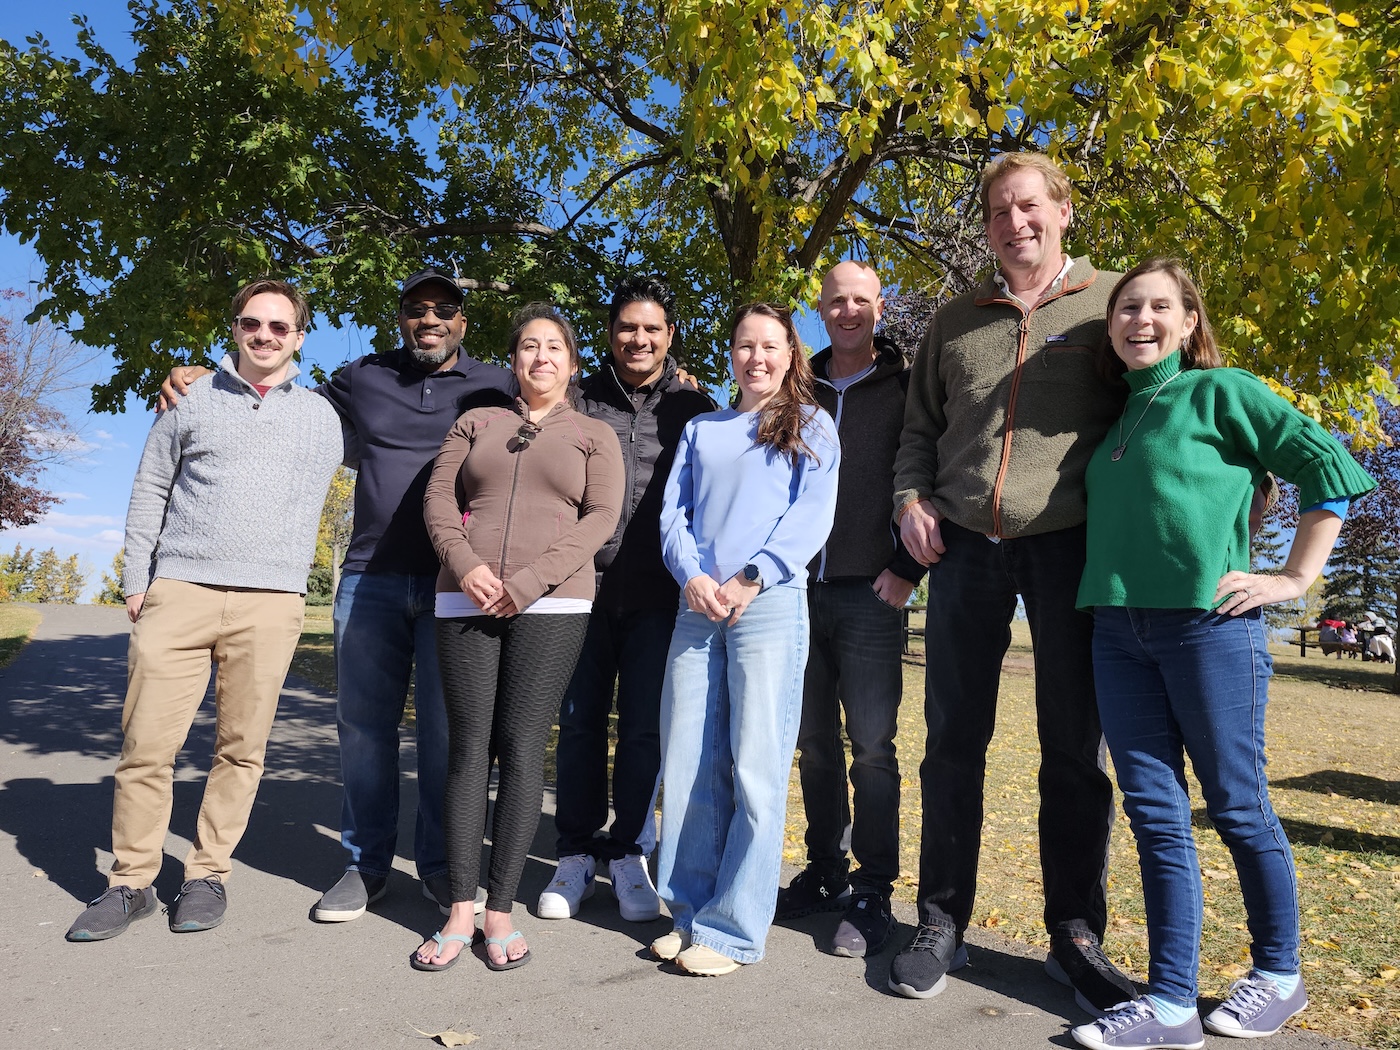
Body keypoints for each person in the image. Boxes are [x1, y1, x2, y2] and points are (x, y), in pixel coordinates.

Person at [1069, 257, 1376, 1050]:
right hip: (1118, 633)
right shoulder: (1116, 421)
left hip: (1210, 627)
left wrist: (1293, 578)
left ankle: (1280, 973)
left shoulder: (1222, 391)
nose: (1140, 320)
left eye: (1157, 307)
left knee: (1237, 805)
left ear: (1188, 322)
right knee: (1154, 815)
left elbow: (1329, 469)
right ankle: (1171, 1004)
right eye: (1126, 308)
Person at [158, 268, 516, 922]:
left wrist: (677, 381)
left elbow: (562, 402)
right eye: (417, 308)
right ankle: (365, 864)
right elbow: (275, 396)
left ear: (463, 321)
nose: (430, 319)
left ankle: (443, 867)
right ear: (400, 318)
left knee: (448, 736)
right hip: (370, 578)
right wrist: (203, 376)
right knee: (363, 731)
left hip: (457, 582)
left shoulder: (498, 383)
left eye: (444, 309)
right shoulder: (363, 376)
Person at [891, 151, 1136, 1008]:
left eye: (1028, 205)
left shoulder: (1114, 302)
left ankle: (1075, 933)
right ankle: (941, 921)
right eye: (998, 210)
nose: (1013, 222)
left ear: (1064, 211)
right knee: (952, 743)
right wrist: (909, 499)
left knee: (1074, 748)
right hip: (963, 548)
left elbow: (1165, 402)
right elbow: (919, 431)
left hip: (1071, 547)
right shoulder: (955, 321)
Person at [66, 279, 344, 940]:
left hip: (271, 604)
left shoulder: (324, 417)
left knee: (241, 750)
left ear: (299, 337)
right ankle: (131, 883)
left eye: (279, 326)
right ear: (235, 327)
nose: (264, 336)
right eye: (252, 323)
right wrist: (137, 582)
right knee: (146, 746)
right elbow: (150, 487)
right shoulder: (189, 398)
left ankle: (206, 874)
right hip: (180, 592)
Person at [412, 304, 623, 971]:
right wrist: (466, 565)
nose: (541, 357)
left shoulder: (594, 434)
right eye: (529, 346)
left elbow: (602, 518)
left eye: (554, 346)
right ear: (513, 359)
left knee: (524, 747)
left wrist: (529, 582)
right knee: (468, 749)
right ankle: (460, 909)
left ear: (573, 363)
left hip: (554, 604)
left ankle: (500, 910)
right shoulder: (476, 422)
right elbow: (438, 500)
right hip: (465, 597)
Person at [649, 303, 840, 976]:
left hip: (768, 606)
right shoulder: (703, 428)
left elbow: (810, 517)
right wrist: (694, 577)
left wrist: (750, 578)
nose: (756, 357)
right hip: (697, 607)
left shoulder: (811, 425)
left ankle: (733, 930)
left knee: (755, 766)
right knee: (689, 763)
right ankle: (688, 912)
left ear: (790, 355)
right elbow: (673, 515)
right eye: (744, 346)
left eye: (770, 346)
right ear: (730, 354)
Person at [538, 277, 716, 923]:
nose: (639, 339)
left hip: (659, 599)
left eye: (652, 328)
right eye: (627, 327)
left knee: (644, 730)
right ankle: (575, 853)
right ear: (610, 334)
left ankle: (628, 852)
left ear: (669, 336)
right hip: (579, 592)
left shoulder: (696, 408)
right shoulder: (577, 400)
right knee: (580, 724)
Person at [775, 261, 926, 958]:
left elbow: (929, 475)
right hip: (796, 593)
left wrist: (907, 568)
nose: (848, 311)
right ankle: (825, 869)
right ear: (820, 305)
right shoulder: (794, 388)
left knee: (871, 747)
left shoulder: (906, 388)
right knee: (813, 742)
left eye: (861, 301)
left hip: (873, 592)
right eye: (836, 300)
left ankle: (873, 887)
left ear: (879, 307)